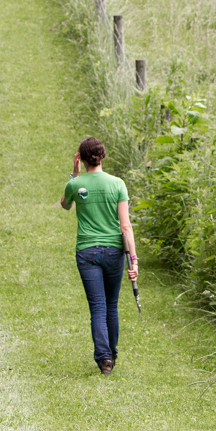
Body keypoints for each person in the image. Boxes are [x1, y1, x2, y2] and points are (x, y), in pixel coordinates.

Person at [60, 137, 137, 374]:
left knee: (97, 306)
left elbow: (64, 204)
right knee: (111, 305)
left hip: (87, 252)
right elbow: (125, 226)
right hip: (114, 251)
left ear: (81, 159)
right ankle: (111, 354)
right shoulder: (118, 184)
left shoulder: (76, 184)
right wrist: (133, 259)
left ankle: (104, 358)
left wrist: (74, 174)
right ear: (102, 156)